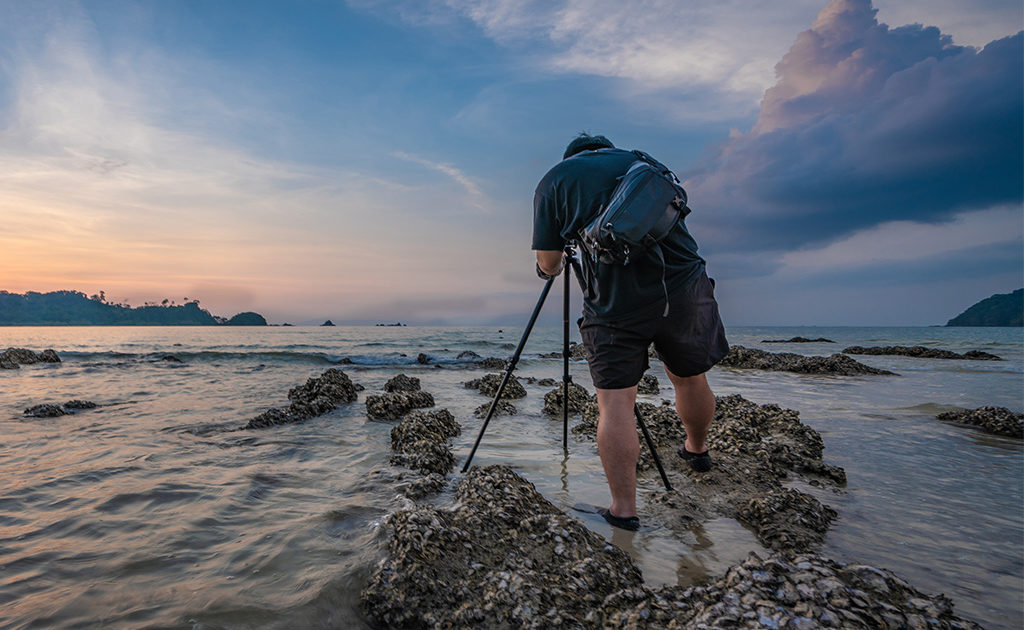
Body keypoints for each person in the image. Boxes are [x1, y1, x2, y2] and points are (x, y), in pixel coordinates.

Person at [532, 133, 729, 531]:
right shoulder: (644, 160)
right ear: (605, 149)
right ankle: (697, 450)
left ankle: (624, 510)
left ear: (571, 157)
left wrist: (547, 268)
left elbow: (550, 263)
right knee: (690, 378)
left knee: (616, 403)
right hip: (683, 284)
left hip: (614, 301)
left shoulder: (555, 180)